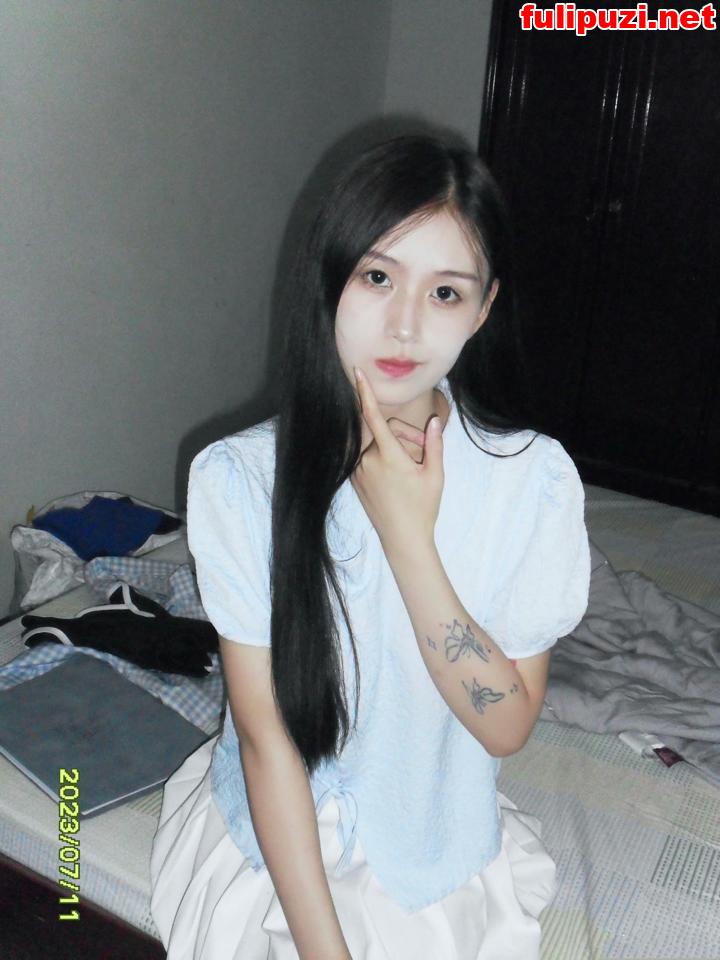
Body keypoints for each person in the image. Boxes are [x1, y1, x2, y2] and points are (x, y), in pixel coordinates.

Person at [149, 132, 591, 960]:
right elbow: (266, 741)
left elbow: (506, 727)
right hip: (273, 843)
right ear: (331, 278)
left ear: (483, 310)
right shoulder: (240, 479)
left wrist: (407, 537)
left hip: (432, 844)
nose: (404, 325)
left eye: (446, 292)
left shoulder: (534, 483)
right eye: (378, 277)